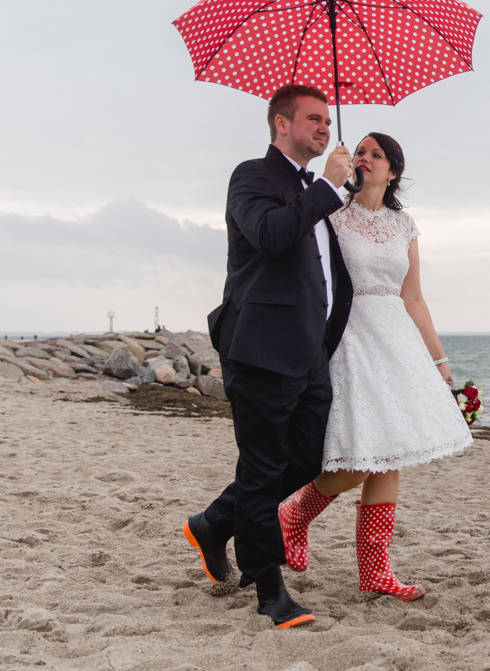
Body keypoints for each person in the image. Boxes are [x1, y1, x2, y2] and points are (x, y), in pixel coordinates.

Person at [181, 84, 355, 629]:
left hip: (310, 353)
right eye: (312, 119)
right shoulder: (253, 176)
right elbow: (271, 235)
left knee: (306, 461)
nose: (324, 128)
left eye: (328, 120)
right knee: (260, 473)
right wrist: (327, 185)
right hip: (259, 349)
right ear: (282, 124)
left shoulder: (319, 192)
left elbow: (326, 273)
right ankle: (270, 590)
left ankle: (214, 523)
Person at [277, 132, 473, 602]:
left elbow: (414, 297)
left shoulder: (404, 224)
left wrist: (439, 360)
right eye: (359, 151)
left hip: (396, 340)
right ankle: (295, 515)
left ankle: (375, 571)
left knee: (393, 452)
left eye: (375, 154)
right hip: (349, 334)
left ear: (392, 171)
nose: (364, 158)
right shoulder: (332, 216)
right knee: (360, 457)